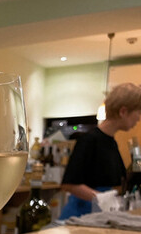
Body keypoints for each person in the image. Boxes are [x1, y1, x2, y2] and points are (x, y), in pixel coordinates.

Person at [59, 82, 141, 219]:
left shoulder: (111, 142)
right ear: (123, 112)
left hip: (98, 217)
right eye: (138, 112)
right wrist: (103, 199)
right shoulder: (89, 140)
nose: (138, 118)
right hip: (81, 218)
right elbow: (69, 185)